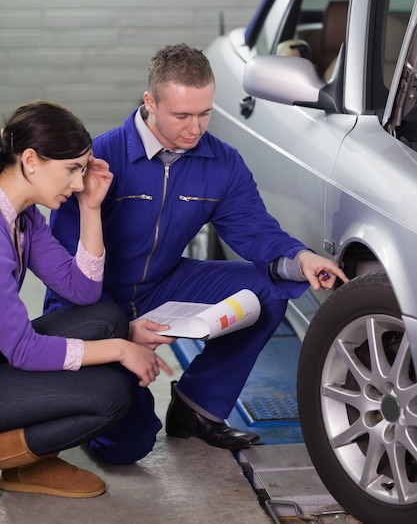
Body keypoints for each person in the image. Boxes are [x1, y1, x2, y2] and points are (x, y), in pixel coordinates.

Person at [44, 43, 349, 466]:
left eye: (205, 113)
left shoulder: (221, 162)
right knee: (128, 446)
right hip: (96, 305)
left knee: (268, 288)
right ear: (150, 103)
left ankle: (196, 408)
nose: (195, 128)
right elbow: (60, 266)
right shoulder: (101, 158)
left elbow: (253, 228)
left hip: (165, 284)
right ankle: (86, 403)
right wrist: (112, 333)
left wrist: (301, 259)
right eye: (182, 116)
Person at [0, 101, 172, 498]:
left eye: (82, 169)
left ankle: (28, 463)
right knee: (111, 396)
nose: (78, 182)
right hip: (9, 354)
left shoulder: (24, 216)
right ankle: (10, 455)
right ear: (30, 161)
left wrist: (90, 207)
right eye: (72, 170)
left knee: (106, 315)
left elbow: (82, 291)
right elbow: (23, 350)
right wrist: (119, 349)